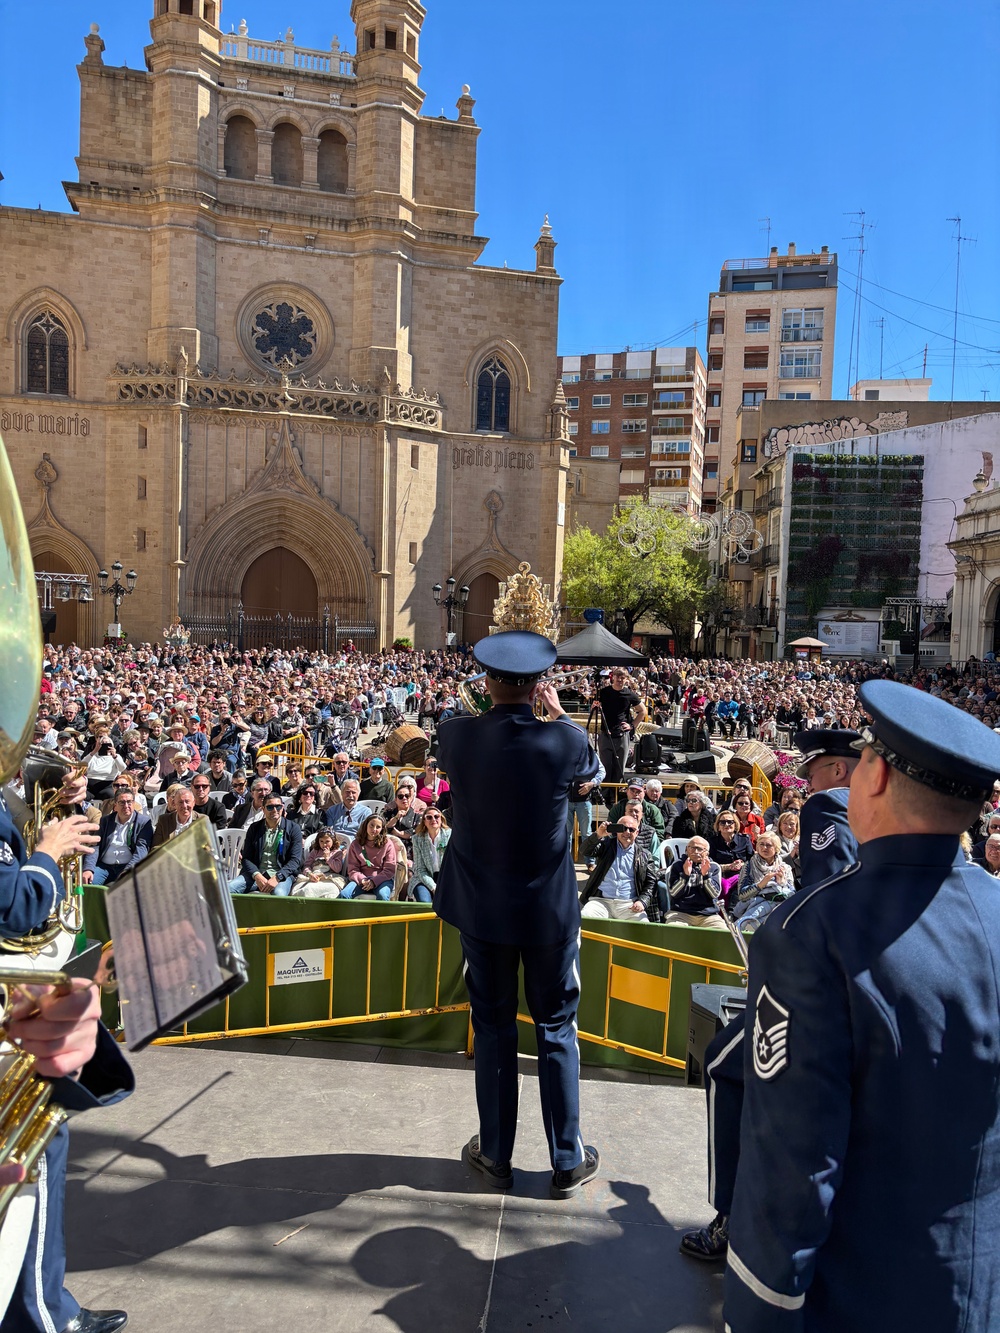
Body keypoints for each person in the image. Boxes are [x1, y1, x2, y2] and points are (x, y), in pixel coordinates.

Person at [725, 681, 1000, 1332]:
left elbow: (790, 1170)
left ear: (872, 779)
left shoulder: (811, 933)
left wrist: (756, 1315)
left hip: (861, 1304)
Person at [681, 728, 861, 1263]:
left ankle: (731, 1214)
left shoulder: (830, 807)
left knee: (720, 1064)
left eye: (813, 769)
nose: (804, 780)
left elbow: (826, 898)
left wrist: (779, 943)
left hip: (820, 994)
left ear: (839, 770)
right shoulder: (891, 810)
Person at [435, 630, 602, 1200]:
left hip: (482, 908)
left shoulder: (456, 737)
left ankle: (496, 1154)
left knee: (494, 1026)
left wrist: (488, 706)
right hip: (547, 911)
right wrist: (558, 716)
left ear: (486, 682)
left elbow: (456, 726)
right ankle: (566, 1158)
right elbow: (594, 770)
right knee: (556, 1027)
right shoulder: (564, 741)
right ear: (540, 686)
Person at [579, 815, 659, 922]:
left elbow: (651, 883)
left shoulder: (645, 855)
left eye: (631, 829)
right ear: (616, 830)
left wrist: (642, 901)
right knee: (584, 918)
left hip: (629, 904)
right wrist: (598, 835)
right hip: (601, 901)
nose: (627, 832)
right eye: (622, 828)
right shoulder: (606, 845)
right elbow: (584, 851)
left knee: (643, 926)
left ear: (637, 833)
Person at [229, 792, 303, 896]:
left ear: (282, 808)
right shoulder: (254, 828)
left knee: (279, 894)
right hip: (256, 874)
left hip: (281, 875)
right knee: (228, 889)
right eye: (270, 807)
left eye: (278, 806)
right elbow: (246, 858)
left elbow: (295, 860)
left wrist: (278, 877)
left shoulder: (293, 828)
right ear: (263, 809)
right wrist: (257, 875)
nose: (274, 810)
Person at [82, 785, 154, 885]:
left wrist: (128, 870)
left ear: (134, 803)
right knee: (88, 884)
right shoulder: (106, 821)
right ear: (115, 805)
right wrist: (88, 869)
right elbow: (95, 846)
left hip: (126, 866)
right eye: (122, 802)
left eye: (129, 802)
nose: (126, 805)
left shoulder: (143, 823)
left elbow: (141, 851)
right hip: (104, 866)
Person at [591, 668, 646, 786]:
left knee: (619, 768)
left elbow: (643, 711)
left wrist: (632, 726)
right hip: (605, 733)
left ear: (626, 679)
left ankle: (615, 795)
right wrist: (594, 707)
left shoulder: (629, 694)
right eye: (618, 677)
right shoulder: (603, 692)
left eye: (623, 677)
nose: (620, 680)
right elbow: (594, 711)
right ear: (613, 677)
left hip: (622, 735)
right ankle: (605, 794)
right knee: (605, 767)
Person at [661, 836, 727, 927]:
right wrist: (685, 876)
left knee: (722, 932)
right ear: (686, 850)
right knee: (673, 930)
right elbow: (673, 893)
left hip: (708, 915)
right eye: (692, 848)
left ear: (707, 853)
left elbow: (714, 894)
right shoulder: (677, 865)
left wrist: (706, 875)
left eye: (699, 849)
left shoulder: (714, 867)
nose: (695, 852)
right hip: (680, 913)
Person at [341, 813, 397, 900]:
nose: (374, 829)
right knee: (344, 894)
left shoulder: (387, 843)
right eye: (371, 825)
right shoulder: (356, 844)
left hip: (382, 879)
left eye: (378, 827)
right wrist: (363, 880)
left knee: (382, 895)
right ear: (366, 825)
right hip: (361, 879)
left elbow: (389, 869)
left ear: (382, 829)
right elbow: (353, 869)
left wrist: (374, 881)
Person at [290, 827, 347, 898]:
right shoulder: (315, 852)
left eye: (327, 841)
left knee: (332, 891)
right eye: (321, 841)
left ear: (333, 840)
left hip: (329, 878)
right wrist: (309, 874)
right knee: (307, 889)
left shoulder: (337, 853)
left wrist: (328, 858)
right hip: (314, 876)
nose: (324, 844)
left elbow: (338, 869)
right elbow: (306, 866)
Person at [408, 809, 450, 903]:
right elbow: (420, 869)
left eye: (436, 816)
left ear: (441, 819)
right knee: (424, 902)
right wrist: (433, 887)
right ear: (424, 821)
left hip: (446, 877)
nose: (433, 819)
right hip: (423, 877)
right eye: (429, 817)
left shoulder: (450, 835)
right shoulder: (417, 839)